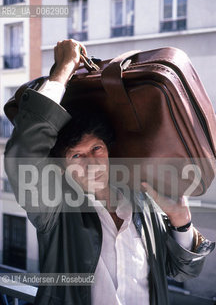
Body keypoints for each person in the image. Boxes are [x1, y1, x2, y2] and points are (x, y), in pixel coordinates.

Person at [4, 39, 215, 305]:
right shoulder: (54, 209)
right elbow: (23, 153)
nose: (91, 163)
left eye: (96, 148)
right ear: (61, 165)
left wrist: (180, 218)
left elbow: (183, 270)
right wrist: (64, 67)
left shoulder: (143, 201)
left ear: (109, 149)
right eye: (77, 155)